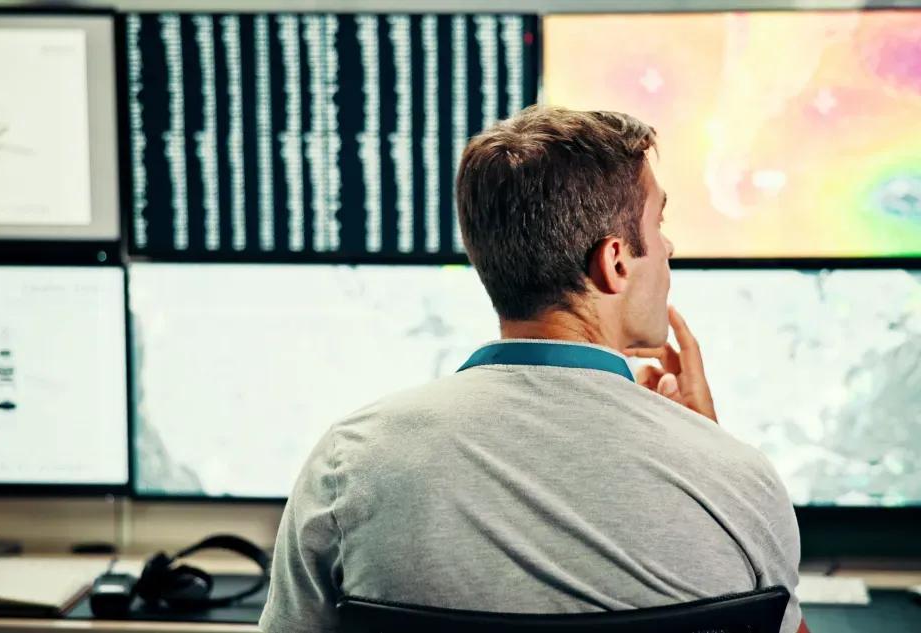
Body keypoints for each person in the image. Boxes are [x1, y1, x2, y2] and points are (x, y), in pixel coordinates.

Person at [261, 105, 808, 633]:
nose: (669, 246)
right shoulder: (739, 479)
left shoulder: (349, 463)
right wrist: (706, 453)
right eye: (658, 221)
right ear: (615, 262)